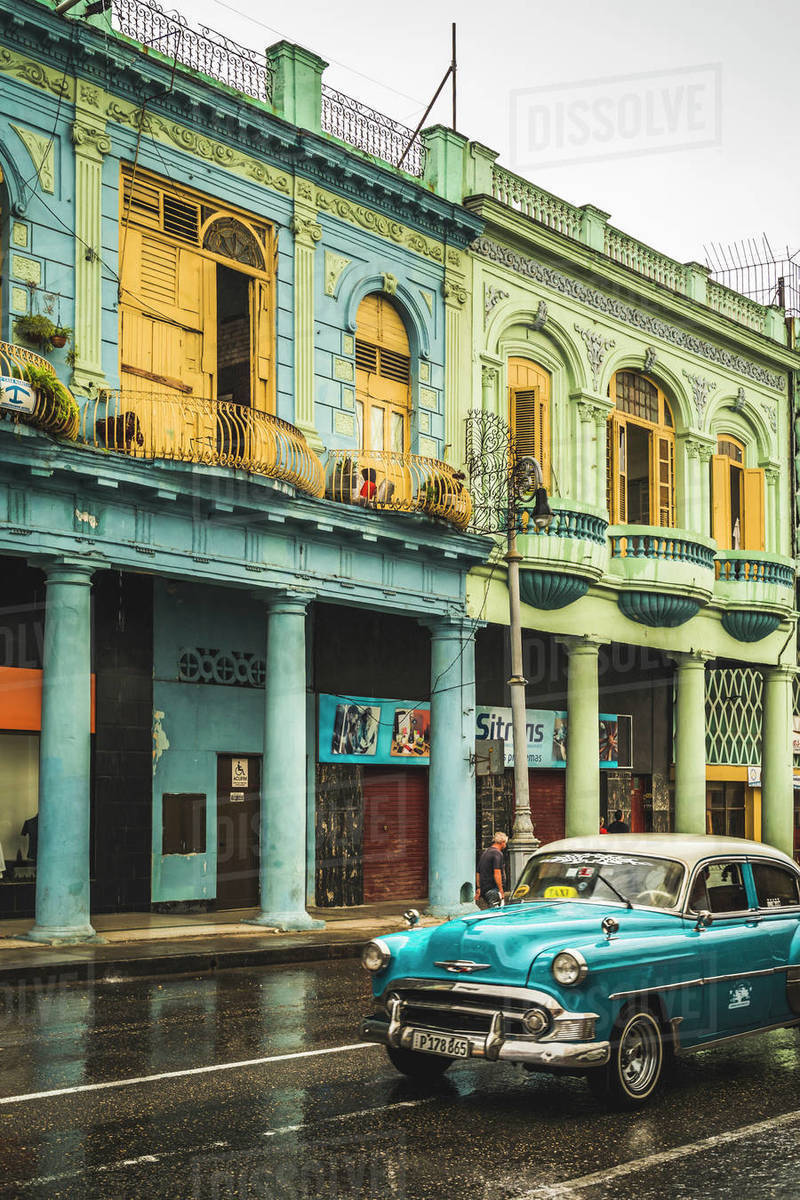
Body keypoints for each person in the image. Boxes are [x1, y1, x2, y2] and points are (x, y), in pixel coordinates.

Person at [476, 831, 508, 908]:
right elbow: (497, 872)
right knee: (496, 912)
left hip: (485, 890)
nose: (505, 845)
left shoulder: (485, 852)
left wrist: (479, 888)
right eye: (505, 843)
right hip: (493, 889)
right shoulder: (497, 853)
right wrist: (501, 890)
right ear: (502, 842)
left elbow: (478, 872)